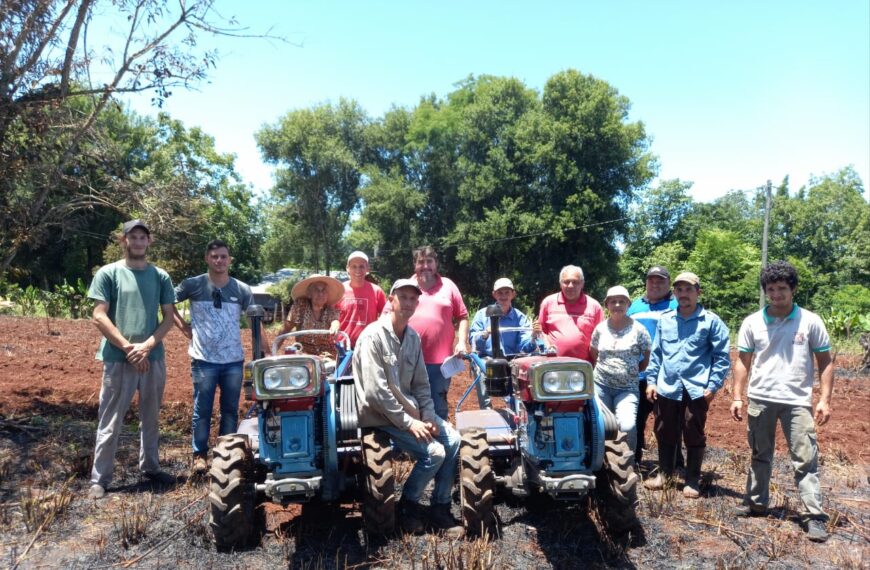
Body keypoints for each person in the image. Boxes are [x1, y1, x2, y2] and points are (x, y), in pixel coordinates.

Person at [730, 261, 834, 542]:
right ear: (765, 291)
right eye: (771, 289)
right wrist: (737, 396)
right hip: (760, 398)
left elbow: (825, 361)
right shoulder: (752, 322)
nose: (776, 294)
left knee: (805, 459)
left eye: (782, 289)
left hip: (797, 401)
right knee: (759, 454)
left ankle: (814, 516)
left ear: (793, 289)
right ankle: (756, 503)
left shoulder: (810, 321)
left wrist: (824, 399)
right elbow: (743, 361)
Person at [354, 278, 463, 535]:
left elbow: (422, 384)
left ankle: (440, 506)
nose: (408, 303)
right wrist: (409, 422)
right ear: (391, 300)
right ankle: (408, 507)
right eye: (402, 297)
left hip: (408, 413)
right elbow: (375, 392)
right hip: (380, 416)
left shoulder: (412, 337)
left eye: (413, 298)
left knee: (454, 440)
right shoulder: (373, 336)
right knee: (434, 453)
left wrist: (428, 415)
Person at [86, 220, 176, 499]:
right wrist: (128, 348)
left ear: (149, 242)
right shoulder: (108, 273)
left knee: (151, 416)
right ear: (123, 241)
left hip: (152, 358)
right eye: (133, 237)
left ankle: (150, 467)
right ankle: (100, 479)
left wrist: (147, 346)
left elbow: (169, 318)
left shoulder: (160, 276)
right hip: (117, 358)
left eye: (142, 238)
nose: (138, 242)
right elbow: (99, 315)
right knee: (110, 419)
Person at [172, 239, 258, 473]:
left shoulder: (241, 289)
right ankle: (199, 455)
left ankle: (225, 454)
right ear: (207, 259)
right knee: (203, 408)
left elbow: (254, 321)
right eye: (215, 256)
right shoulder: (194, 284)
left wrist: (263, 350)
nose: (219, 260)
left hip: (233, 360)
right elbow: (166, 302)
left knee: (230, 409)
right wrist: (184, 328)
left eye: (223, 256)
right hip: (203, 360)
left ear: (229, 260)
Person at [644, 272, 730, 498]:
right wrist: (652, 381)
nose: (684, 294)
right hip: (667, 387)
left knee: (693, 431)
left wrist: (713, 385)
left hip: (696, 388)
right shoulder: (666, 320)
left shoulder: (711, 321)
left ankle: (692, 479)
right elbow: (657, 354)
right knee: (664, 431)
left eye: (689, 289)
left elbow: (722, 357)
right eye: (679, 290)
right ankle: (665, 475)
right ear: (674, 293)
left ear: (698, 292)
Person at [398, 246, 469, 421]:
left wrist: (461, 342)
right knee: (408, 406)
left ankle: (439, 444)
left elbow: (463, 317)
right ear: (415, 265)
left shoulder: (448, 286)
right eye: (420, 262)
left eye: (429, 261)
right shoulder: (405, 286)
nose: (425, 266)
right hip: (408, 360)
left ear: (436, 263)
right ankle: (410, 447)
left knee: (438, 407)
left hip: (440, 363)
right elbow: (387, 316)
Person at [590, 286, 652, 453]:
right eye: (613, 301)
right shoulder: (600, 329)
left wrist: (628, 372)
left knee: (627, 425)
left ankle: (627, 463)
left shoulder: (639, 330)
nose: (617, 305)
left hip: (627, 389)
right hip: (601, 386)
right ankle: (601, 463)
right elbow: (594, 354)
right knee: (600, 425)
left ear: (628, 304)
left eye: (622, 301)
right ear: (607, 304)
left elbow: (646, 359)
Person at [627, 266, 679, 464]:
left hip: (665, 375)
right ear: (646, 283)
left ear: (669, 284)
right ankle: (636, 460)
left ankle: (673, 463)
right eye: (651, 280)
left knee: (667, 422)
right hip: (638, 374)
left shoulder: (676, 306)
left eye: (660, 281)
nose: (655, 284)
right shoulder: (634, 307)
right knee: (636, 420)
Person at [469, 277, 542, 408]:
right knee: (480, 368)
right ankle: (486, 408)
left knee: (526, 369)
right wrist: (485, 335)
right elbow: (474, 341)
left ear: (513, 294)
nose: (503, 296)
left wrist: (533, 336)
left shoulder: (520, 318)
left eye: (507, 292)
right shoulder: (482, 315)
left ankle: (520, 408)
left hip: (512, 358)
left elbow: (525, 346)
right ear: (494, 294)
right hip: (488, 358)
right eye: (500, 293)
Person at [537, 265, 603, 360]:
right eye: (566, 282)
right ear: (560, 284)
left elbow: (601, 335)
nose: (570, 286)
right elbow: (541, 330)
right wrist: (548, 347)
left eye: (575, 282)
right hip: (553, 365)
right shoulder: (548, 303)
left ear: (582, 284)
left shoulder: (594, 306)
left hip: (584, 367)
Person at [276, 274, 343, 357]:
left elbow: (335, 320)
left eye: (323, 290)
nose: (321, 294)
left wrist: (335, 325)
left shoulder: (329, 310)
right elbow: (286, 328)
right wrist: (273, 351)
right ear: (309, 294)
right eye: (316, 290)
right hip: (302, 352)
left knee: (329, 365)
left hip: (324, 353)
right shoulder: (300, 306)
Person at [338, 251, 387, 347]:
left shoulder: (377, 291)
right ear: (347, 268)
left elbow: (386, 316)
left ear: (367, 269)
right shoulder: (339, 290)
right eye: (354, 266)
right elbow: (331, 317)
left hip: (368, 346)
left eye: (361, 266)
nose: (358, 270)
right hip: (342, 346)